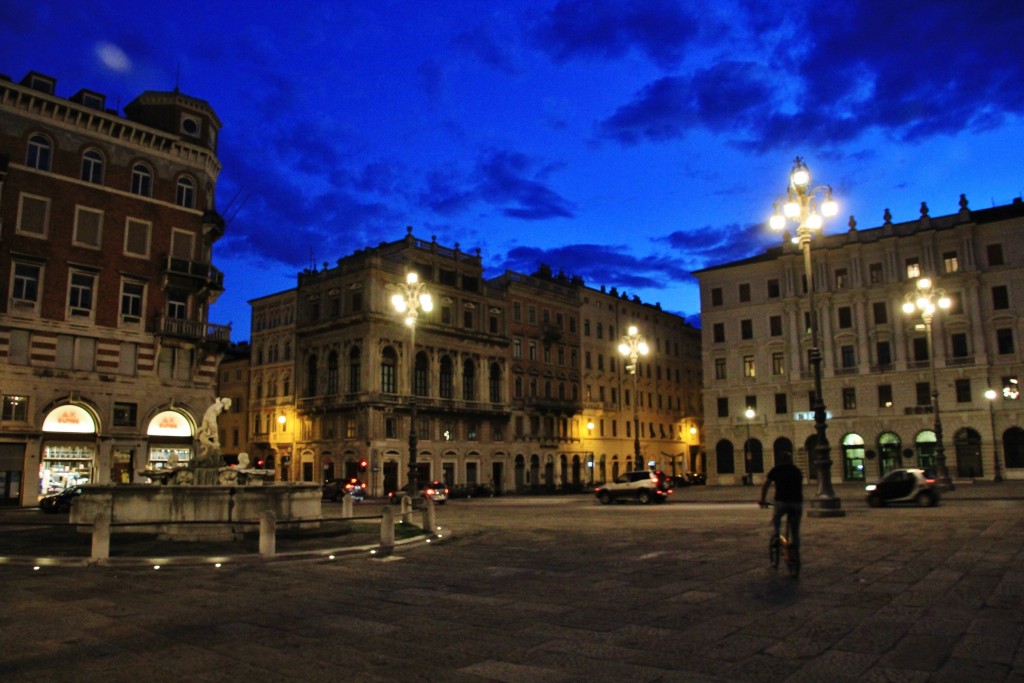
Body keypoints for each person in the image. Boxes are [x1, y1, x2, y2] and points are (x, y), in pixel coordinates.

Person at [758, 451, 803, 552]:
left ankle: (777, 535)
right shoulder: (796, 470)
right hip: (796, 502)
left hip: (781, 501)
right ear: (790, 460)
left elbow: (766, 486)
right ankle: (795, 555)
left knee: (776, 518)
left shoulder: (776, 470)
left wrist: (762, 500)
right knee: (795, 531)